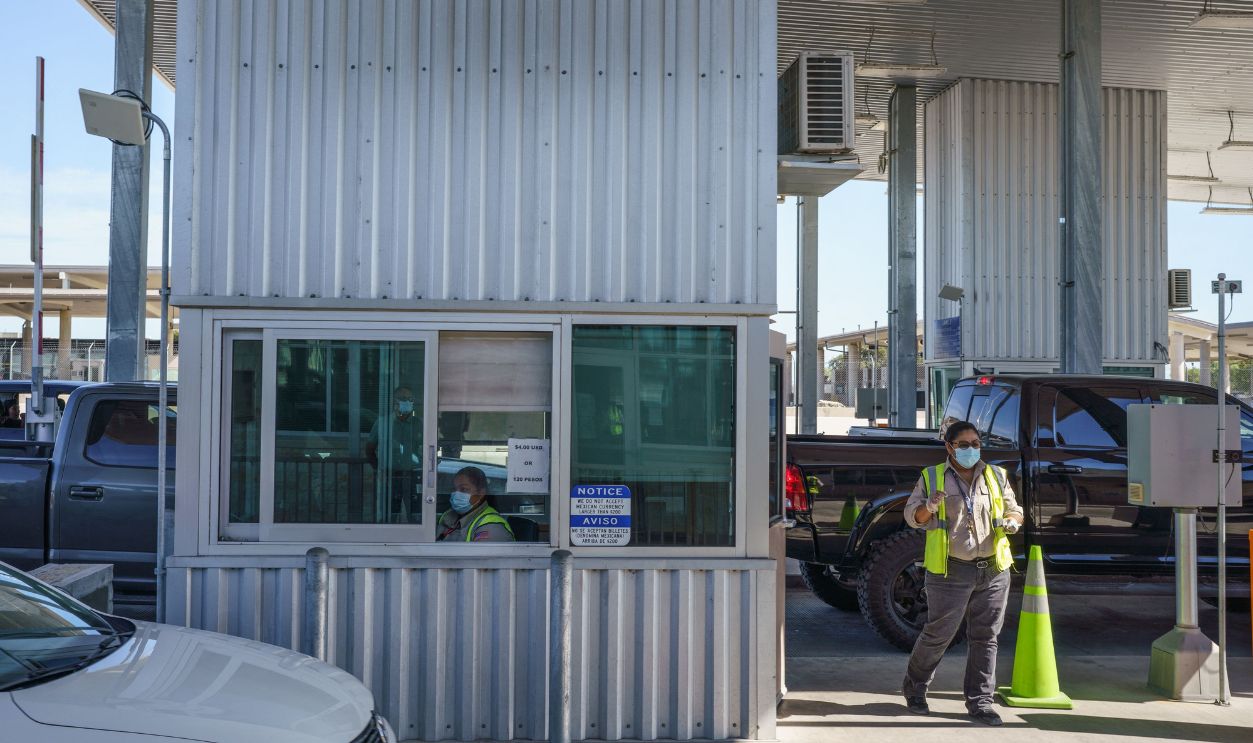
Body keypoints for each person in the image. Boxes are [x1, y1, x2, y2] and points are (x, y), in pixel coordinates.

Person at [901, 420, 1024, 726]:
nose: (971, 449)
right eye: (964, 445)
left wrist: (1012, 521)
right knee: (938, 634)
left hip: (994, 569)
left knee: (986, 637)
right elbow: (913, 517)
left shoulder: (996, 476)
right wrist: (928, 507)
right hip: (951, 571)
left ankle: (981, 702)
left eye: (976, 444)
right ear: (949, 447)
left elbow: (1014, 509)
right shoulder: (932, 478)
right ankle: (915, 688)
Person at [366, 386, 423, 522]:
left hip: (414, 475)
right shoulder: (383, 423)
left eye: (410, 399)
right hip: (390, 476)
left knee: (416, 517)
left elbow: (428, 449)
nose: (407, 402)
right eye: (403, 399)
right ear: (394, 402)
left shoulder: (418, 424)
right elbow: (369, 450)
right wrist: (378, 469)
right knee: (388, 516)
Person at [436, 466, 514, 542]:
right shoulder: (448, 516)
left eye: (464, 489)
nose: (457, 494)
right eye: (454, 489)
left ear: (481, 493)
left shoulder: (492, 527)